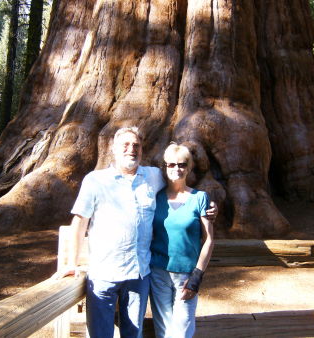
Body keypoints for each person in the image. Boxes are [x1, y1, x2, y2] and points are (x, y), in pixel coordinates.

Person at [56, 127, 217, 338]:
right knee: (100, 334)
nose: (131, 149)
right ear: (113, 149)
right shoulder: (95, 181)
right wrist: (71, 263)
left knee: (133, 333)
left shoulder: (152, 176)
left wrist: (209, 206)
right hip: (104, 274)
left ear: (141, 150)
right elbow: (79, 223)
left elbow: (178, 183)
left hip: (139, 274)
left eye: (136, 145)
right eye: (125, 144)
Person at [149, 143, 214, 338]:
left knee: (182, 331)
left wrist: (197, 276)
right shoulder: (156, 197)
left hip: (186, 275)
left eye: (182, 164)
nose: (177, 169)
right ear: (164, 167)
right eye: (171, 164)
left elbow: (209, 240)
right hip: (158, 273)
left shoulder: (199, 198)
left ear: (189, 167)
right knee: (164, 330)